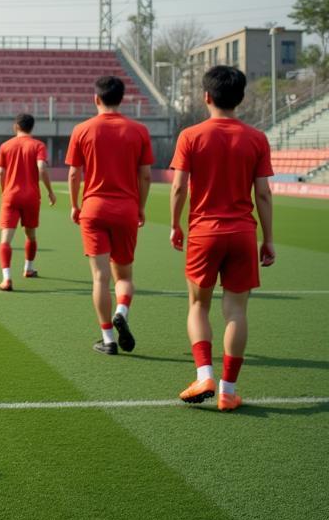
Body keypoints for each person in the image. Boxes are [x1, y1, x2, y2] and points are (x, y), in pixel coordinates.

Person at [170, 66, 275, 411]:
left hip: (204, 232)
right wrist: (268, 238)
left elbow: (179, 186)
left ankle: (204, 375)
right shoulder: (257, 138)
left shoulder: (190, 136)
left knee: (198, 305)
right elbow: (263, 194)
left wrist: (175, 225)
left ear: (206, 96)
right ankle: (228, 391)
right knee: (236, 311)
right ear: (241, 98)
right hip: (243, 233)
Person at [66, 75, 153, 355]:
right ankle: (122, 312)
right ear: (122, 98)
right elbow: (146, 175)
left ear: (96, 99)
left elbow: (73, 172)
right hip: (126, 209)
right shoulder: (139, 130)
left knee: (100, 278)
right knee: (124, 275)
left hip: (94, 208)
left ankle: (107, 339)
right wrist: (140, 206)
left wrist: (75, 204)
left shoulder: (82, 129)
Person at [0, 113, 56, 290]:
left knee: (6, 239)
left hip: (11, 196)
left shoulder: (5, 146)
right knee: (31, 234)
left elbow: (0, 172)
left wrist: (4, 191)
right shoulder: (38, 145)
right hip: (31, 197)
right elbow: (42, 168)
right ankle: (29, 268)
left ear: (16, 126)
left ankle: (6, 278)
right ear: (32, 127)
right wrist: (50, 191)